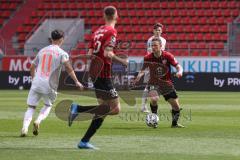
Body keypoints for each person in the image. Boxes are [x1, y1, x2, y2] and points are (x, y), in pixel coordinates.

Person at [65, 6, 128, 149]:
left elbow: (90, 53)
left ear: (104, 16)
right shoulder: (112, 31)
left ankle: (84, 141)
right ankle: (78, 109)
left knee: (103, 109)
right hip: (103, 74)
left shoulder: (97, 31)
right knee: (115, 108)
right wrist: (123, 61)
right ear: (115, 16)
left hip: (94, 73)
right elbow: (107, 54)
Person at [20, 29, 83, 137]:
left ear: (52, 39)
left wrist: (34, 79)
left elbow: (32, 67)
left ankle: (24, 128)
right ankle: (38, 121)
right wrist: (77, 81)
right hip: (50, 85)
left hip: (37, 83)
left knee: (31, 107)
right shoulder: (62, 53)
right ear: (61, 39)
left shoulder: (42, 50)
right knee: (48, 105)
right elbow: (68, 67)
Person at [134, 37, 184, 128]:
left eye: (155, 45)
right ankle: (154, 120)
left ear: (161, 46)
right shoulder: (148, 57)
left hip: (166, 83)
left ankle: (174, 124)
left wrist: (180, 72)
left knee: (176, 106)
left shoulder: (168, 56)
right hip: (154, 83)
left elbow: (178, 66)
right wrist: (138, 76)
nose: (153, 47)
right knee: (154, 99)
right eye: (152, 45)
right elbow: (143, 70)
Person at [141, 23, 167, 113]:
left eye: (159, 30)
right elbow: (149, 52)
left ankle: (145, 105)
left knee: (153, 85)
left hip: (159, 65)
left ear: (161, 31)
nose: (158, 32)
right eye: (156, 30)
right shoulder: (150, 40)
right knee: (148, 85)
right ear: (153, 31)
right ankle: (143, 106)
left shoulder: (163, 40)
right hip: (151, 64)